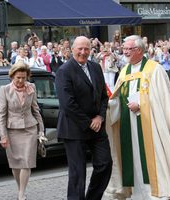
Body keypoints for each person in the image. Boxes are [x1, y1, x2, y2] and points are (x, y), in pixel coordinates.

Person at [106, 35, 170, 200]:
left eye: (128, 49)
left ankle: (158, 191)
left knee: (151, 156)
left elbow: (163, 101)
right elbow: (118, 97)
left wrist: (141, 105)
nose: (124, 52)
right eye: (123, 49)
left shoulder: (154, 69)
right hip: (128, 124)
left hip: (150, 124)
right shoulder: (124, 71)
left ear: (139, 50)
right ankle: (137, 193)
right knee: (132, 156)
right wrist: (110, 105)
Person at [55, 36, 112, 200]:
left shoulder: (95, 67)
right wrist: (89, 122)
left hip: (97, 126)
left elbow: (103, 96)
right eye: (79, 48)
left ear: (91, 50)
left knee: (105, 164)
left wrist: (100, 117)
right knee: (77, 174)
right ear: (72, 49)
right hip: (74, 129)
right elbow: (68, 104)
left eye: (86, 49)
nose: (83, 52)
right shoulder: (64, 71)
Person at [0, 61, 45, 200]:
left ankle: (21, 194)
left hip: (30, 129)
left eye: (24, 77)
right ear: (12, 76)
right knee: (15, 164)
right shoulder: (5, 90)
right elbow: (1, 115)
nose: (21, 80)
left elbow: (36, 110)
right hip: (12, 131)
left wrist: (41, 131)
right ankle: (20, 189)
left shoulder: (32, 88)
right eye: (18, 77)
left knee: (26, 162)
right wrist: (3, 136)